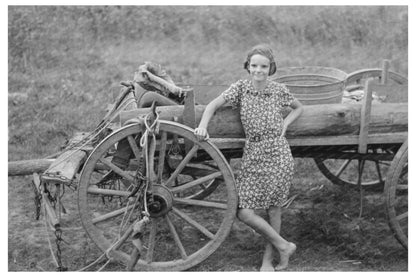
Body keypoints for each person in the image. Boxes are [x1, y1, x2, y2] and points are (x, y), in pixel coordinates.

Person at [194, 44, 303, 271]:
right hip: (253, 154)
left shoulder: (278, 90)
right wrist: (203, 126)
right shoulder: (241, 89)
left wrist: (287, 122)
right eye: (254, 65)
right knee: (244, 211)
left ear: (270, 68)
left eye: (263, 66)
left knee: (274, 208)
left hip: (277, 154)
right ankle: (284, 246)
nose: (258, 70)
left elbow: (298, 107)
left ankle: (268, 260)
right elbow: (213, 105)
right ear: (248, 66)